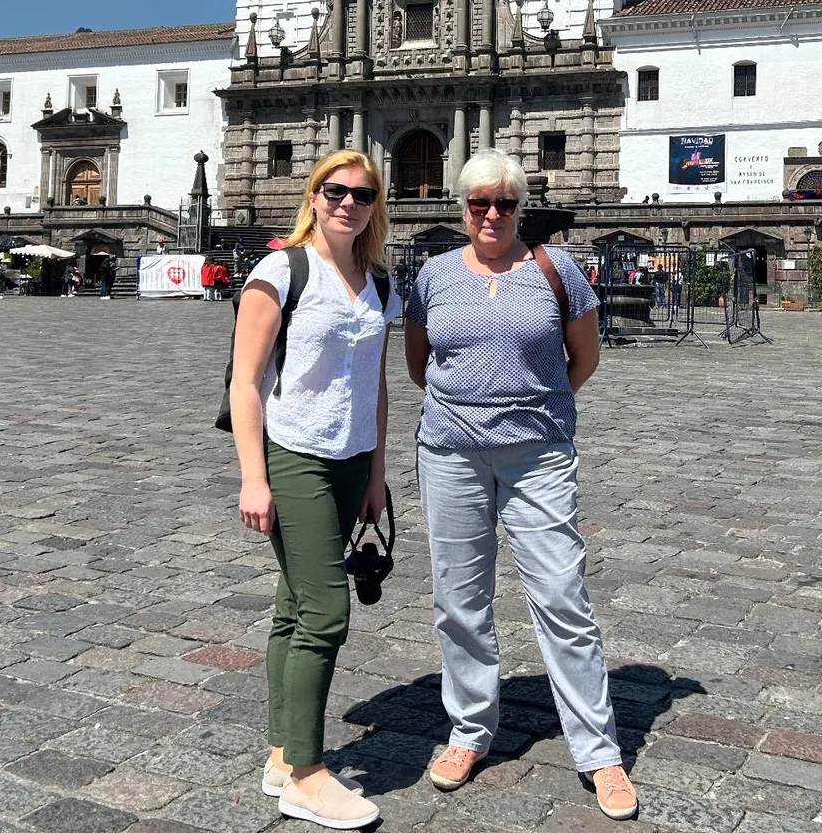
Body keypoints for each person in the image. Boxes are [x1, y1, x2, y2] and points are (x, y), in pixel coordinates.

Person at [404, 150, 639, 822]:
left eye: (505, 202)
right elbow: (422, 365)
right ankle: (469, 731)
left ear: (521, 207)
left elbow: (583, 356)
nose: (493, 213)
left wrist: (539, 411)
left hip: (538, 457)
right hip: (450, 453)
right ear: (461, 208)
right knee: (459, 599)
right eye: (480, 202)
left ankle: (599, 752)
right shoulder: (435, 274)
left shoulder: (554, 269)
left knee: (563, 597)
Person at [229, 149, 397, 830]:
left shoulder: (379, 281)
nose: (347, 203)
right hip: (293, 456)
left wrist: (378, 475)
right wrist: (252, 477)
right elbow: (244, 381)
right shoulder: (280, 271)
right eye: (335, 191)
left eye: (361, 194)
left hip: (352, 460)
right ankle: (305, 771)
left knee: (296, 607)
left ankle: (280, 752)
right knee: (326, 613)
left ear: (374, 205)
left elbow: (378, 384)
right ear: (314, 195)